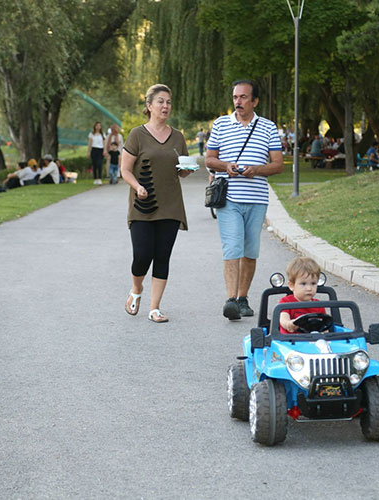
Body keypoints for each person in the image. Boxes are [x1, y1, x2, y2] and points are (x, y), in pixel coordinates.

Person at [205, 79, 284, 321]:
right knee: (232, 248)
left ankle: (242, 298)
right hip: (229, 198)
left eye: (243, 98)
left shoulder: (269, 128)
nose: (237, 102)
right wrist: (226, 165)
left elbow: (278, 165)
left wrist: (256, 170)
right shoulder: (220, 125)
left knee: (250, 251)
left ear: (255, 101)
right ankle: (231, 300)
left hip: (257, 199)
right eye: (235, 98)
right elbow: (209, 160)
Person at [120, 83, 194, 323]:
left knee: (162, 255)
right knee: (142, 255)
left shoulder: (178, 137)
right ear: (149, 106)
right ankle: (137, 289)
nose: (165, 106)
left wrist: (187, 170)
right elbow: (125, 169)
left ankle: (155, 308)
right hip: (143, 205)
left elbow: (180, 171)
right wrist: (137, 187)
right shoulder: (137, 135)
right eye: (161, 101)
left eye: (169, 102)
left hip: (171, 205)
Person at [278, 257, 327, 334]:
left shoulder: (318, 305)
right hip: (290, 342)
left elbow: (324, 325)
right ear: (292, 285)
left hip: (313, 341)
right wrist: (288, 324)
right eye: (303, 284)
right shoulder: (286, 302)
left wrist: (324, 331)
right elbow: (283, 319)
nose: (309, 288)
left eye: (313, 283)